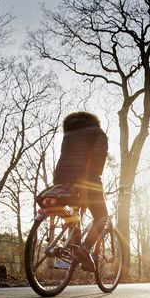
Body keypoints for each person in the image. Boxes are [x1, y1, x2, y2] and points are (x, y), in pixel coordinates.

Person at [53, 111, 108, 272]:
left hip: (61, 177)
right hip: (85, 176)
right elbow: (100, 153)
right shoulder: (97, 132)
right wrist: (96, 173)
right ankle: (84, 249)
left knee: (74, 214)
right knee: (102, 215)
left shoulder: (69, 133)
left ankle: (76, 251)